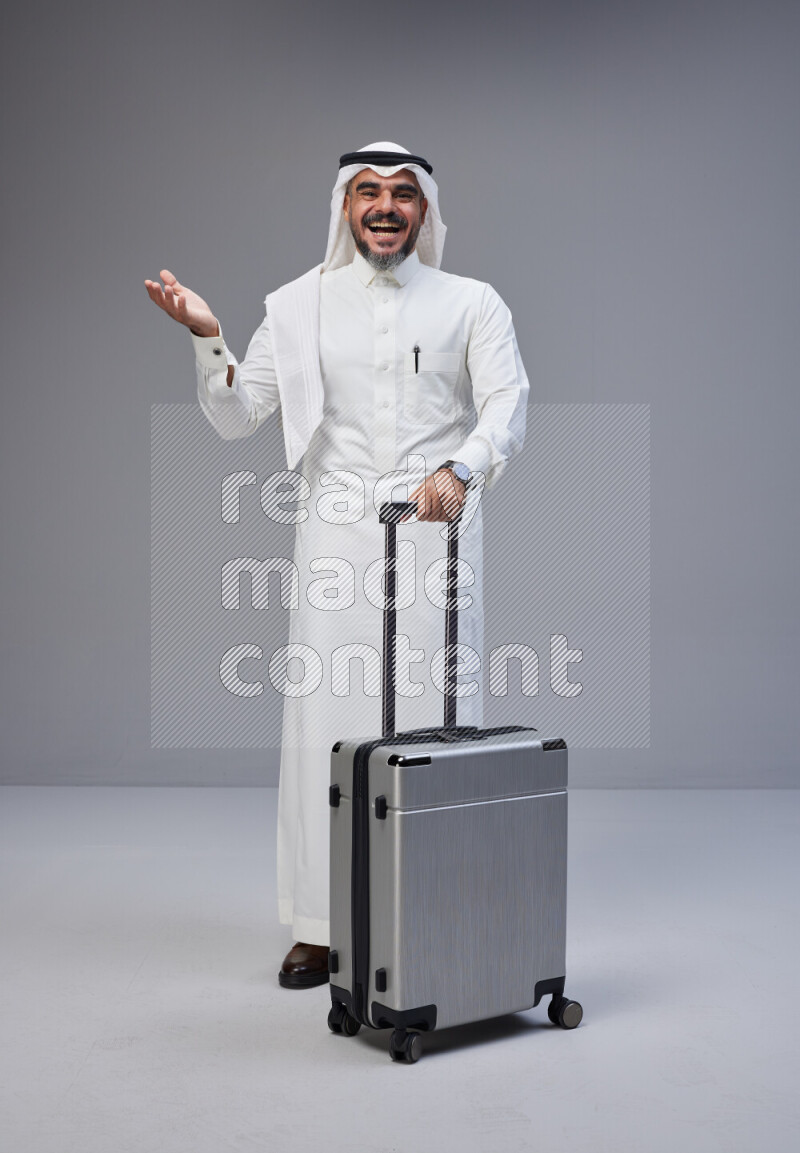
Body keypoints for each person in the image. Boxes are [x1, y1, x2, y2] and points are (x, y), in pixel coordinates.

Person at [145, 141, 529, 989]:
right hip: (335, 534)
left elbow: (507, 402)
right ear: (344, 207)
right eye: (367, 192)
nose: (385, 206)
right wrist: (210, 339)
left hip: (436, 531)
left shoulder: (473, 302)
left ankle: (435, 900)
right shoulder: (296, 305)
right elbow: (241, 417)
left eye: (402, 193)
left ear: (425, 210)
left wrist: (460, 467)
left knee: (437, 718)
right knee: (326, 724)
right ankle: (322, 925)